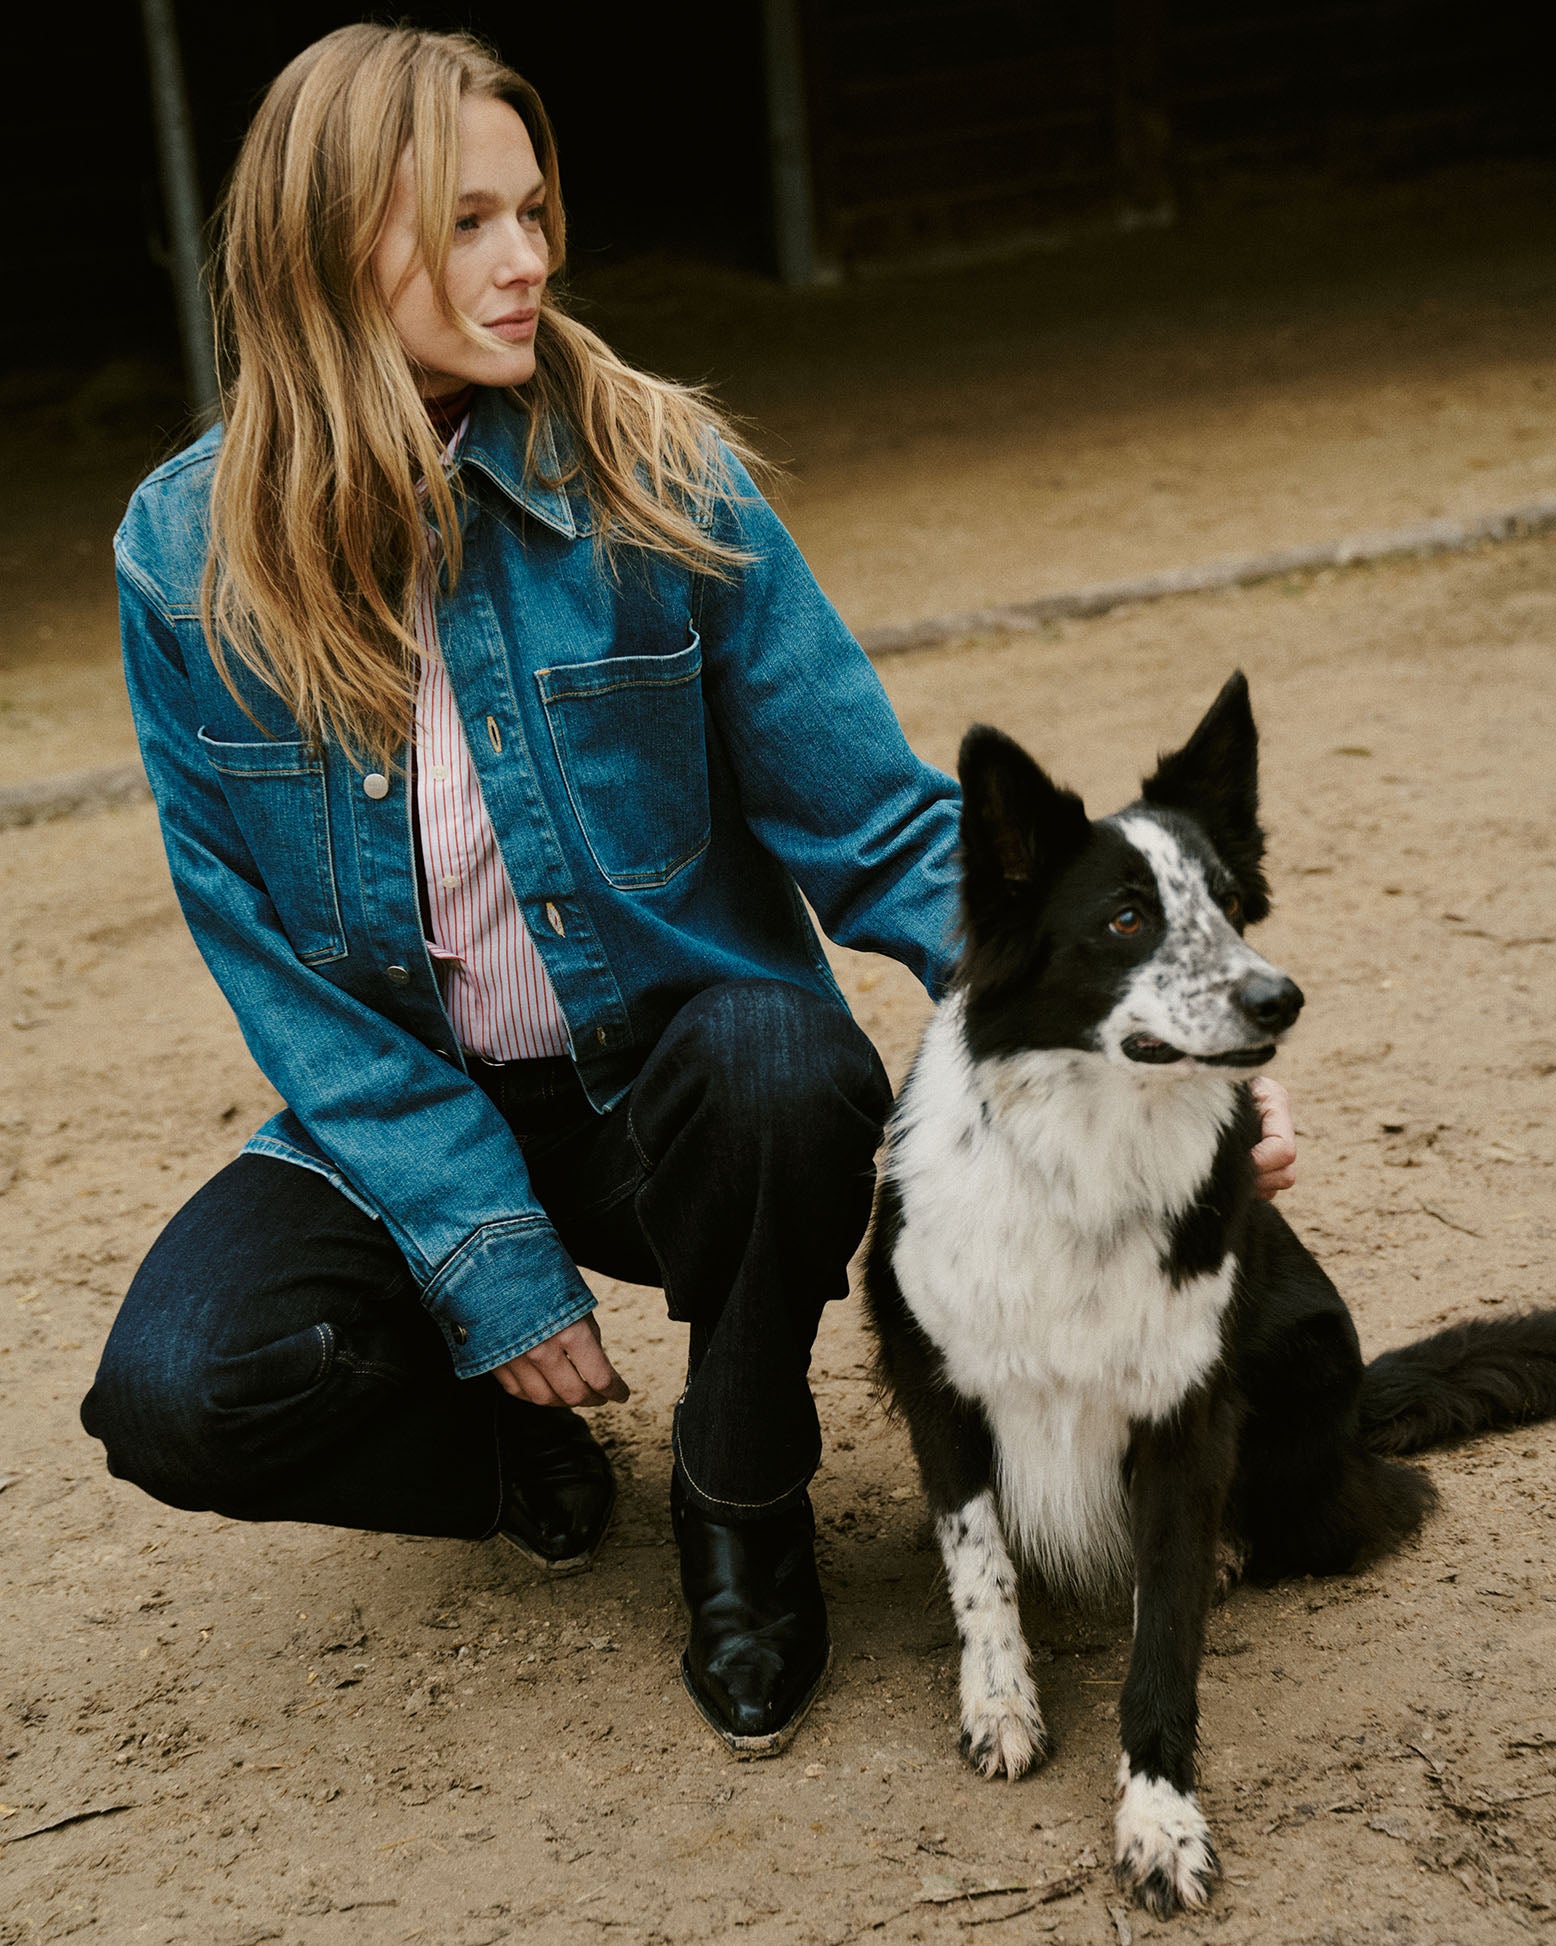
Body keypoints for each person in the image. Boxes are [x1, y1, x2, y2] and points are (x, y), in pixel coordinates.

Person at [81, 23, 1298, 1758]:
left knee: (792, 1067)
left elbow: (881, 827)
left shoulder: (655, 472)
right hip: (412, 1106)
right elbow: (264, 951)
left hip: (679, 1089)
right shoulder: (181, 557)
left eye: (533, 211)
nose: (528, 262)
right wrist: (482, 1251)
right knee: (177, 1389)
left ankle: (742, 1499)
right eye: (468, 225)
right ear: (329, 249)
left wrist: (1156, 1041)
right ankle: (509, 1452)